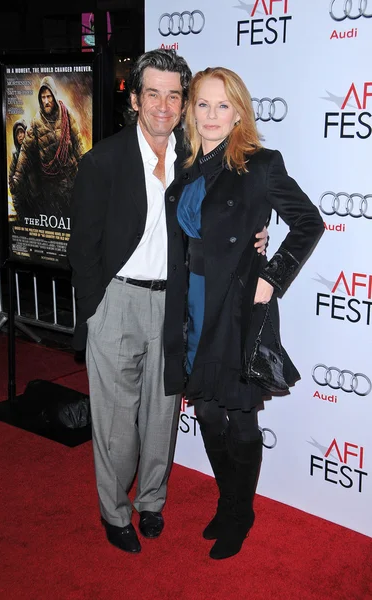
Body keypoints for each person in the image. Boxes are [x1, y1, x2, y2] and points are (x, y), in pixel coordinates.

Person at [68, 50, 268, 554]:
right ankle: (114, 512)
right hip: (117, 300)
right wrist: (96, 309)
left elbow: (232, 208)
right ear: (135, 100)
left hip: (175, 304)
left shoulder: (194, 156)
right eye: (151, 93)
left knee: (161, 414)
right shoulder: (103, 160)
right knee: (114, 420)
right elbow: (82, 248)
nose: (163, 105)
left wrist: (254, 236)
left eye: (174, 95)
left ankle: (151, 503)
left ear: (183, 104)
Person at [167, 67, 324, 560]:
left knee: (238, 419)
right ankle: (227, 499)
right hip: (192, 304)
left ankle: (241, 512)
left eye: (222, 105)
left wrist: (270, 275)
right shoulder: (185, 164)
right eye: (202, 105)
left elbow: (308, 222)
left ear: (239, 113)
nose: (211, 115)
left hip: (235, 307)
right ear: (191, 111)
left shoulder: (260, 165)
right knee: (209, 415)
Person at [11, 76, 84, 220]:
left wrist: (87, 172)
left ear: (54, 96)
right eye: (43, 97)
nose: (46, 101)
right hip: (49, 186)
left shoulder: (67, 114)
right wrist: (17, 178)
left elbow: (78, 143)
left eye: (49, 96)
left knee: (71, 222)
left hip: (69, 180)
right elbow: (25, 151)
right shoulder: (36, 121)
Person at [8, 119, 27, 220]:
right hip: (22, 201)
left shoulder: (33, 151)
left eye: (22, 132)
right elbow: (11, 178)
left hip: (36, 200)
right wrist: (17, 202)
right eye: (17, 133)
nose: (20, 136)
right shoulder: (16, 155)